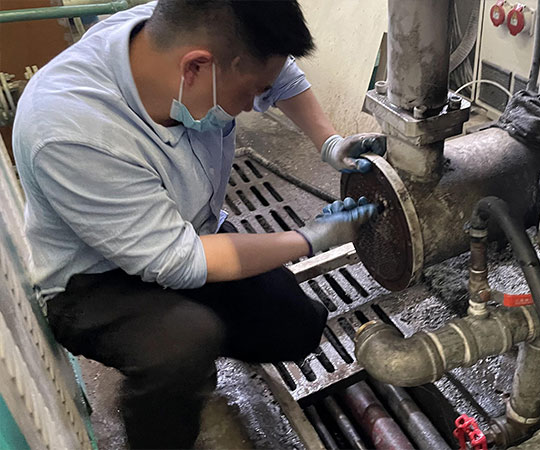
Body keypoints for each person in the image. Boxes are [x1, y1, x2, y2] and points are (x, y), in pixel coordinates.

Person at [12, 1, 382, 448]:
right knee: (182, 345)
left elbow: (278, 74)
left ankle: (186, 353)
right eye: (249, 93)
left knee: (297, 325)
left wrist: (329, 142)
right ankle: (161, 418)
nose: (253, 105)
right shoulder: (69, 130)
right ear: (195, 68)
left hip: (189, 233)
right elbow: (178, 260)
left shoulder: (185, 32)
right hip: (94, 282)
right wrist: (309, 238)